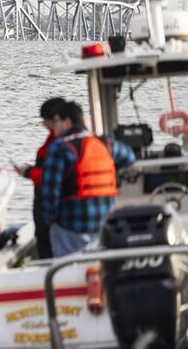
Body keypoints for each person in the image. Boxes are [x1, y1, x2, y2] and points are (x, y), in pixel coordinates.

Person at [40, 100, 135, 257]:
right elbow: (129, 157)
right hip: (104, 225)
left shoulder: (59, 148)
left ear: (67, 121)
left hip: (72, 229)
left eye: (56, 121)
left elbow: (50, 193)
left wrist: (51, 221)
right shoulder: (105, 144)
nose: (53, 126)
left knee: (67, 273)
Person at [18, 97, 65, 259]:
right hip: (50, 208)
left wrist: (28, 173)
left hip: (51, 210)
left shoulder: (59, 144)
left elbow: (51, 178)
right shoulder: (62, 140)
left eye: (46, 120)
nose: (45, 124)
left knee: (49, 246)